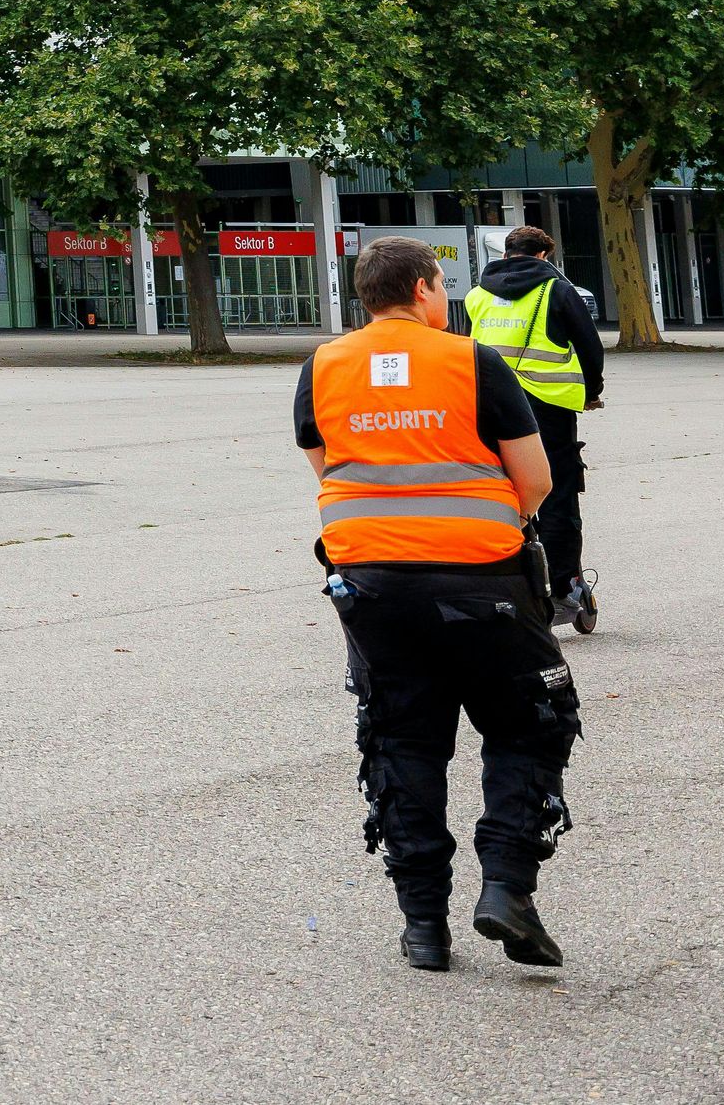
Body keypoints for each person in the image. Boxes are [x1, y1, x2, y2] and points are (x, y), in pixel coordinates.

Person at [297, 236, 576, 974]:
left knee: (401, 740)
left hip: (371, 587)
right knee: (530, 725)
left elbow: (327, 467)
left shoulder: (322, 367)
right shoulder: (470, 359)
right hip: (483, 582)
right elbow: (536, 479)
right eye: (441, 284)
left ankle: (424, 927)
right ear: (424, 289)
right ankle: (507, 888)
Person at [462, 225, 607, 634]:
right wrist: (591, 390)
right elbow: (589, 346)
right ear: (545, 256)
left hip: (491, 405)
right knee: (558, 491)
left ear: (508, 253)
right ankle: (566, 586)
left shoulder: (477, 295)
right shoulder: (556, 291)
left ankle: (504, 577)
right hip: (548, 405)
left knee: (501, 490)